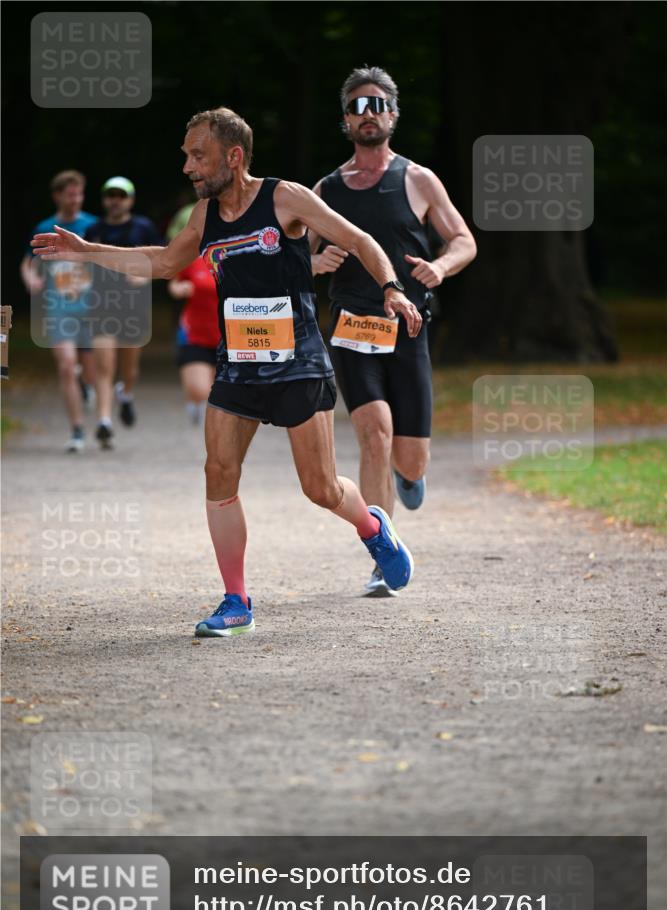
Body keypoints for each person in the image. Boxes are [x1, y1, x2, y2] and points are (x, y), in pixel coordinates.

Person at [32, 106, 422, 636]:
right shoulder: (204, 216)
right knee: (218, 474)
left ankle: (374, 526)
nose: (189, 167)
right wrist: (87, 250)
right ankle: (236, 601)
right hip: (238, 365)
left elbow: (359, 240)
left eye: (199, 155)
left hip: (298, 363)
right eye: (186, 156)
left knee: (320, 489)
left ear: (233, 156)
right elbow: (164, 263)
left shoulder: (284, 197)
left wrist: (392, 288)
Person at [309, 66, 477, 595]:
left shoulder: (418, 180)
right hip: (351, 326)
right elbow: (295, 253)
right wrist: (317, 262)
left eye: (377, 104)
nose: (368, 114)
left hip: (408, 328)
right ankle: (383, 552)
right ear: (345, 120)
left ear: (393, 115)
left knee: (409, 454)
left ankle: (411, 476)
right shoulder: (326, 190)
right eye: (358, 106)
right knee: (373, 430)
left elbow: (463, 240)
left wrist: (441, 268)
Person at [20, 170, 98, 452]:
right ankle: (77, 431)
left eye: (79, 193)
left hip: (91, 308)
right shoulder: (45, 227)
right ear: (58, 196)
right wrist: (31, 278)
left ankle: (87, 386)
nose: (76, 199)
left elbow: (112, 256)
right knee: (66, 366)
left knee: (91, 370)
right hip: (59, 307)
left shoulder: (93, 224)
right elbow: (28, 262)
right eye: (70, 194)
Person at [84, 177, 163, 448]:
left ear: (130, 200)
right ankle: (104, 421)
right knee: (104, 367)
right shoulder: (94, 229)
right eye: (110, 195)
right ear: (104, 199)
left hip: (132, 308)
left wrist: (146, 276)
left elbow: (163, 258)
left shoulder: (143, 227)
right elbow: (82, 262)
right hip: (102, 305)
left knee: (129, 369)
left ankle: (126, 393)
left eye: (121, 195)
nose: (115, 200)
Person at [168, 255, 219, 425]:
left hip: (229, 337)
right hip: (194, 334)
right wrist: (179, 288)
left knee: (217, 392)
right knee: (199, 389)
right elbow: (173, 283)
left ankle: (209, 413)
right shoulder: (192, 260)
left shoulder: (241, 256)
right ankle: (194, 401)